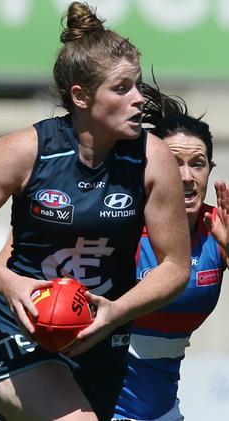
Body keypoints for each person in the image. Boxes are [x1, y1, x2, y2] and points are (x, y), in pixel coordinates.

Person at [0, 2, 191, 420]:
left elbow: (175, 266)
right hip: (15, 331)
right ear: (80, 96)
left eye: (138, 85)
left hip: (98, 337)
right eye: (122, 88)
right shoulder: (24, 151)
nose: (140, 99)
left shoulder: (152, 159)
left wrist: (115, 312)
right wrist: (9, 284)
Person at [112, 88, 229, 421]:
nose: (186, 177)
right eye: (174, 163)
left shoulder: (219, 230)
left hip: (162, 410)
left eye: (197, 164)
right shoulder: (122, 226)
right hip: (98, 406)